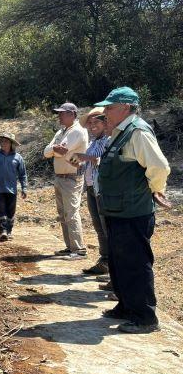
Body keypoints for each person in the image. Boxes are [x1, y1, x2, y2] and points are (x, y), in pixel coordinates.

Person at [95, 87, 171, 334]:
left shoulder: (137, 132)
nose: (105, 112)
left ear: (125, 108)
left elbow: (159, 166)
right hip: (118, 210)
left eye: (109, 107)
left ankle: (145, 317)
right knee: (118, 262)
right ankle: (126, 306)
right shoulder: (120, 132)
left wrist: (156, 189)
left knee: (136, 263)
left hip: (134, 211)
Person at [43, 102, 89, 260]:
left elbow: (62, 150)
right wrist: (56, 149)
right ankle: (70, 247)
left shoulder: (78, 131)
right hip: (60, 176)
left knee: (71, 212)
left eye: (62, 113)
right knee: (63, 213)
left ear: (72, 114)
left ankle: (79, 249)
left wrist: (56, 150)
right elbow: (47, 152)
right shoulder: (62, 131)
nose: (59, 116)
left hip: (72, 177)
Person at [73, 108, 111, 276]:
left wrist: (86, 158)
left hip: (102, 189)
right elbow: (89, 165)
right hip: (91, 187)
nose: (92, 125)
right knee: (99, 227)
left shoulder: (109, 140)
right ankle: (105, 261)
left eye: (96, 122)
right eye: (90, 122)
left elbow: (104, 161)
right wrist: (79, 165)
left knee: (107, 227)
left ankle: (111, 266)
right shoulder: (94, 141)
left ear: (105, 122)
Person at [0, 132, 27, 241]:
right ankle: (3, 231)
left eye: (6, 141)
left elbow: (23, 174)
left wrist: (24, 188)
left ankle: (9, 231)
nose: (3, 143)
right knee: (0, 210)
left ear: (11, 144)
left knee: (10, 211)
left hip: (12, 189)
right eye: (1, 141)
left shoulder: (18, 158)